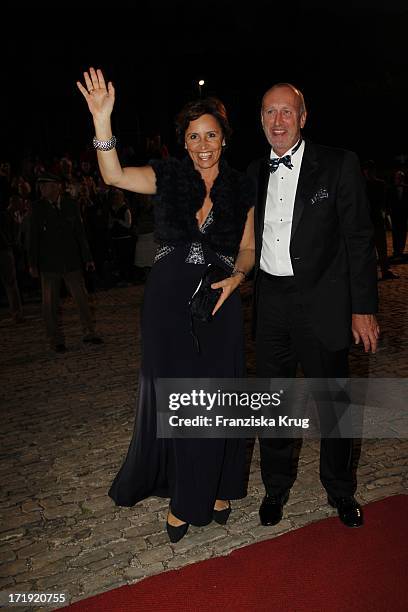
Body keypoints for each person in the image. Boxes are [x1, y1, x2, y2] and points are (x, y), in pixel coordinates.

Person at [77, 67, 255, 542]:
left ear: (224, 137)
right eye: (194, 136)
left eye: (211, 135)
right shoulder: (168, 176)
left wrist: (237, 279)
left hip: (219, 300)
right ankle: (185, 494)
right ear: (184, 141)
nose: (203, 145)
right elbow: (112, 174)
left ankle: (216, 483)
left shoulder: (242, 187)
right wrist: (102, 120)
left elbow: (248, 247)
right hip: (167, 304)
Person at [248, 83, 379, 528]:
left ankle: (341, 491)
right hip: (270, 305)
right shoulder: (252, 173)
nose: (278, 121)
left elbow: (360, 238)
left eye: (287, 112)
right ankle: (276, 489)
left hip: (323, 301)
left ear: (303, 117)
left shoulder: (339, 165)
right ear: (261, 119)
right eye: (270, 113)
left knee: (334, 404)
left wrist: (362, 308)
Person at [27, 172, 104, 352]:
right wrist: (32, 263)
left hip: (71, 261)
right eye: (41, 186)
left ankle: (89, 332)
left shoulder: (70, 205)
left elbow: (80, 233)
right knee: (50, 305)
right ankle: (55, 339)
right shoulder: (37, 208)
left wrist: (88, 258)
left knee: (82, 299)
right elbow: (33, 238)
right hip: (49, 264)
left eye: (45, 185)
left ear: (56, 186)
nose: (42, 189)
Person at [362, 160, 398, 280]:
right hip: (368, 220)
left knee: (381, 247)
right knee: (370, 249)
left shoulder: (376, 184)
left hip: (374, 219)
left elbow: (382, 202)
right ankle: (376, 272)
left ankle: (384, 270)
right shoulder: (363, 185)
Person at [387, 170, 408, 261]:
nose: (398, 179)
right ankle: (396, 251)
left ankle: (401, 251)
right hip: (394, 214)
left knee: (403, 233)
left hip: (404, 215)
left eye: (400, 178)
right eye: (397, 178)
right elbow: (388, 201)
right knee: (395, 233)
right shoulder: (390, 189)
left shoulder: (407, 188)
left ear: (403, 179)